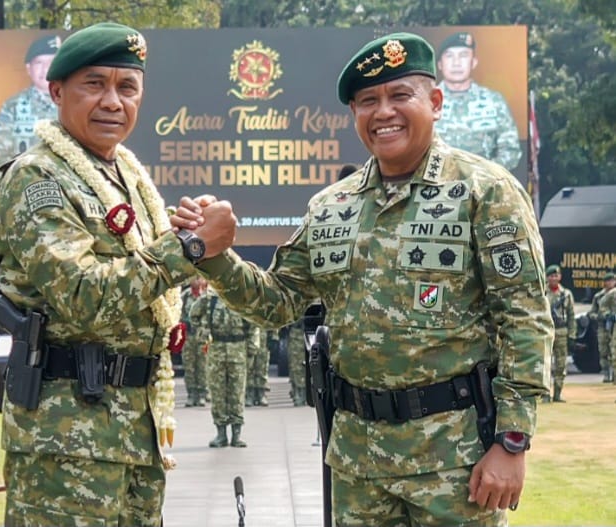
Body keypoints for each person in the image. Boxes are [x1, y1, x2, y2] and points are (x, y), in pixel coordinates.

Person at [170, 32, 552, 526]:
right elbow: (277, 301)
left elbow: (525, 319)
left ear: (436, 103)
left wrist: (512, 441)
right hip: (357, 465)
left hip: (454, 461)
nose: (383, 112)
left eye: (400, 95)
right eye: (368, 101)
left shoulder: (486, 191)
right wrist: (215, 256)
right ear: (354, 113)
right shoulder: (332, 206)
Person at [0, 22, 211, 526]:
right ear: (56, 91)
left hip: (135, 431)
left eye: (127, 87)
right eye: (94, 84)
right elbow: (83, 294)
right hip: (66, 440)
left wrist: (182, 233)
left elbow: (139, 274)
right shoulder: (36, 177)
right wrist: (185, 248)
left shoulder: (126, 177)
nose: (113, 101)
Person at [434, 31, 522, 171]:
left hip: (484, 181)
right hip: (436, 181)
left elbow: (510, 150)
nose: (456, 63)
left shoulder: (494, 101)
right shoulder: (426, 102)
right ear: (439, 64)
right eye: (449, 56)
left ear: (474, 62)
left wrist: (484, 175)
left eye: (463, 55)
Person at [189, 289, 250, 448]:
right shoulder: (210, 299)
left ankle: (236, 434)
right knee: (217, 392)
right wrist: (202, 331)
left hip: (237, 348)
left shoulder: (242, 297)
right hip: (216, 349)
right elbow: (193, 314)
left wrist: (252, 347)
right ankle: (221, 434)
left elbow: (253, 323)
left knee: (237, 392)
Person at [0, 34, 61, 169]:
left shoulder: (74, 105)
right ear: (29, 68)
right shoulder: (12, 106)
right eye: (39, 63)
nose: (46, 69)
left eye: (51, 62)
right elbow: (0, 154)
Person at [544, 264, 576, 402]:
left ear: (560, 277)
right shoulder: (542, 292)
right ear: (547, 277)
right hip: (546, 331)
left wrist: (572, 335)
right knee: (544, 364)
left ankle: (557, 393)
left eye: (556, 275)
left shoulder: (566, 294)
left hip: (561, 331)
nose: (554, 278)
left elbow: (571, 315)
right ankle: (545, 394)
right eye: (551, 276)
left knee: (561, 364)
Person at [180, 276, 209, 407]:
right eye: (194, 278)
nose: (197, 281)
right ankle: (191, 394)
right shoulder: (185, 296)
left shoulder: (207, 296)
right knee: (189, 367)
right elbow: (178, 314)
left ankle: (202, 394)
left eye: (199, 278)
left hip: (203, 337)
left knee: (202, 366)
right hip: (189, 336)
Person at [588, 271, 615, 382]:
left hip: (614, 326)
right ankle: (606, 374)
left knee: (614, 350)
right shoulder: (598, 296)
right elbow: (591, 313)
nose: (610, 283)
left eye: (612, 280)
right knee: (603, 351)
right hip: (603, 327)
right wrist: (600, 317)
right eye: (608, 281)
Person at [244, 322, 269, 407]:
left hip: (262, 336)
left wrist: (274, 335)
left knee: (261, 367)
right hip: (248, 336)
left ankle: (261, 394)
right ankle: (249, 395)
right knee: (249, 367)